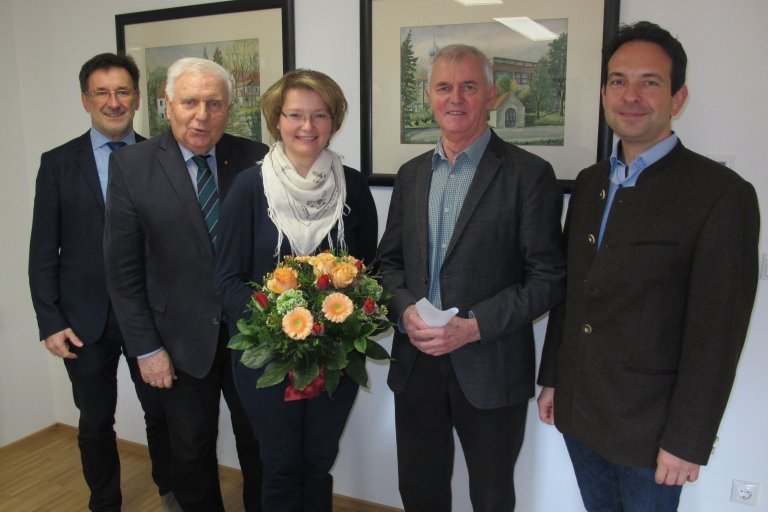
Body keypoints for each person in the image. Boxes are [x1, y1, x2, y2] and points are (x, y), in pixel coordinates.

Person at [537, 21, 760, 512]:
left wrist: (689, 439)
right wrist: (553, 375)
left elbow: (717, 334)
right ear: (604, 92)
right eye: (618, 81)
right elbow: (574, 292)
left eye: (649, 82)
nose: (631, 95)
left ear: (677, 98)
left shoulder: (722, 197)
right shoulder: (591, 183)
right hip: (578, 410)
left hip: (651, 430)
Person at [377, 44, 566, 511]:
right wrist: (403, 314)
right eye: (444, 87)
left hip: (492, 366)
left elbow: (547, 278)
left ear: (492, 95)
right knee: (420, 491)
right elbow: (387, 266)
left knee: (492, 495)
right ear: (428, 95)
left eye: (468, 86)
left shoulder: (530, 175)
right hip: (416, 364)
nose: (455, 98)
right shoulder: (412, 175)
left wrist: (475, 326)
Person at [103, 57, 268, 512]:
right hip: (176, 343)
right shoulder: (132, 167)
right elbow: (123, 272)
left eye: (214, 103)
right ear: (166, 105)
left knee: (260, 446)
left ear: (229, 108)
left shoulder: (257, 159)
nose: (202, 115)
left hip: (251, 337)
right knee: (191, 454)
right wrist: (146, 348)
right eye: (190, 102)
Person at [214, 68, 377, 512]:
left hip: (335, 357)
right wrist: (276, 329)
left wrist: (339, 324)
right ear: (277, 120)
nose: (307, 127)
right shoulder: (250, 187)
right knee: (281, 464)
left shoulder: (354, 186)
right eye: (296, 115)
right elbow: (225, 278)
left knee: (319, 461)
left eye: (320, 115)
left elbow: (370, 276)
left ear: (334, 121)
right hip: (264, 356)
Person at [27, 53, 177, 512]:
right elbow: (42, 250)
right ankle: (104, 502)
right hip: (82, 321)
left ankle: (171, 492)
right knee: (94, 422)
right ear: (85, 100)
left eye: (123, 91)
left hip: (149, 318)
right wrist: (50, 320)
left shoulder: (164, 158)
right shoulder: (57, 164)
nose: (113, 102)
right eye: (102, 93)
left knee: (163, 417)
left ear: (137, 99)